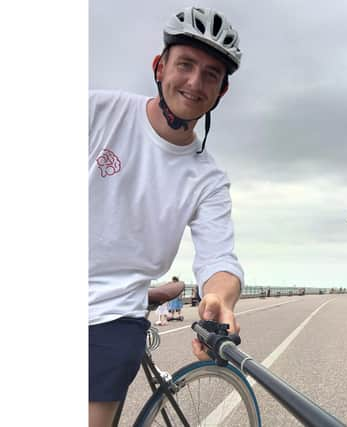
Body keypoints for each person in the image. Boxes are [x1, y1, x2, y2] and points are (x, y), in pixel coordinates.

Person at [89, 7, 244, 427]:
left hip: (112, 312)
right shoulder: (97, 112)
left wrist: (218, 299)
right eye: (186, 65)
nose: (195, 83)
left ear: (221, 91)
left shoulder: (208, 179)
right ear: (160, 67)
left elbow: (219, 259)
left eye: (211, 74)